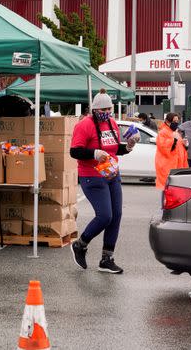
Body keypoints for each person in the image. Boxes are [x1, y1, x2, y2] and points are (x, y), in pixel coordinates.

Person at [69, 92, 140, 274]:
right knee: (104, 216)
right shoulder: (84, 125)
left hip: (111, 173)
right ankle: (80, 244)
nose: (107, 112)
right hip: (91, 175)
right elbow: (74, 151)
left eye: (109, 108)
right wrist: (93, 153)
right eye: (103, 109)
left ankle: (107, 258)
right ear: (94, 109)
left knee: (116, 216)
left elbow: (115, 149)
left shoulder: (112, 123)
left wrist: (129, 145)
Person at [154, 112, 188, 190]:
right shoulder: (163, 132)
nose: (176, 123)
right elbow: (163, 148)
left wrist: (185, 145)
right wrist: (174, 140)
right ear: (167, 121)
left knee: (174, 188)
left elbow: (179, 147)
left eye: (177, 121)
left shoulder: (174, 132)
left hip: (176, 165)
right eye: (174, 121)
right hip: (167, 165)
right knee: (168, 187)